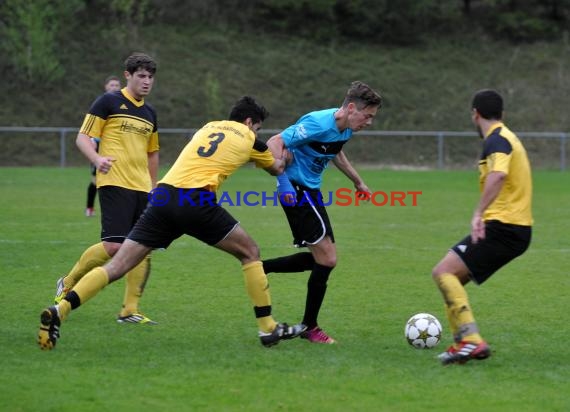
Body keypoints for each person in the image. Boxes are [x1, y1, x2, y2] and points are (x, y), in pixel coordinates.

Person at [39, 96, 305, 350]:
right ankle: (268, 328)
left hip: (163, 197)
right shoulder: (250, 138)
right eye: (257, 127)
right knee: (250, 253)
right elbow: (276, 167)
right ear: (250, 123)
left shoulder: (208, 126)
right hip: (195, 199)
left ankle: (60, 310)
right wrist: (287, 157)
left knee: (117, 265)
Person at [263, 81, 383, 344]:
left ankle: (260, 269)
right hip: (296, 190)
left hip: (312, 193)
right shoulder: (318, 123)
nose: (369, 122)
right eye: (367, 116)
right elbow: (275, 141)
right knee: (327, 260)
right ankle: (309, 326)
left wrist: (357, 181)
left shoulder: (344, 129)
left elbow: (336, 154)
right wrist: (283, 183)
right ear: (351, 108)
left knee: (323, 260)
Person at [54, 53, 160, 324]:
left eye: (150, 77)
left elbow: (152, 153)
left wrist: (154, 184)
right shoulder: (108, 101)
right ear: (128, 75)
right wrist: (97, 158)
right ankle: (68, 282)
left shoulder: (149, 113)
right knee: (115, 246)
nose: (147, 81)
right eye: (141, 76)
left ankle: (129, 310)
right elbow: (82, 137)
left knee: (142, 246)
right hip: (114, 180)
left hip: (141, 186)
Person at [433, 89, 532, 365]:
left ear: (475, 114)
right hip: (514, 228)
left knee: (443, 272)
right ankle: (462, 344)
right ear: (502, 113)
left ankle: (472, 341)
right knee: (452, 279)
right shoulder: (505, 136)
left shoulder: (497, 140)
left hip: (505, 226)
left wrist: (479, 213)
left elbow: (498, 174)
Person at [85, 75, 122, 217]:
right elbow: (93, 125)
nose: (114, 88)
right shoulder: (101, 103)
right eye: (111, 85)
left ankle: (116, 210)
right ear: (106, 87)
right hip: (99, 147)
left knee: (117, 180)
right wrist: (93, 141)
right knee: (96, 181)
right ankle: (89, 207)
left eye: (117, 85)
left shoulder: (123, 105)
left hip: (116, 148)